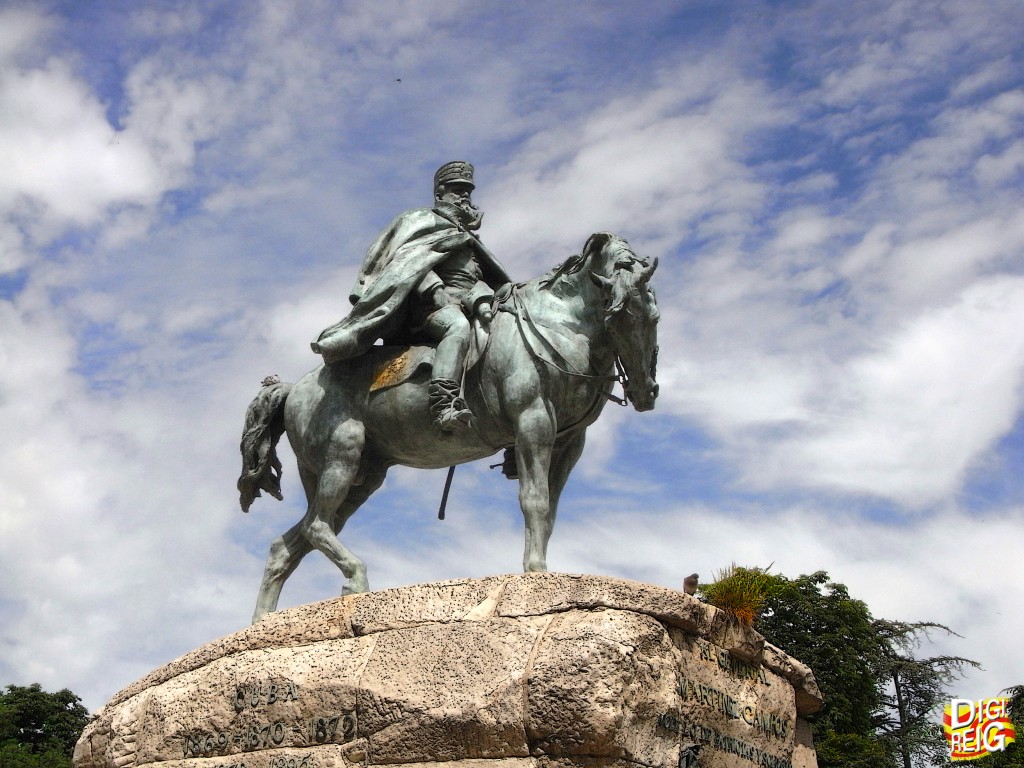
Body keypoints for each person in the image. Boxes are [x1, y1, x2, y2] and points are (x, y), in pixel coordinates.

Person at [311, 161, 512, 433]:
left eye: (467, 191)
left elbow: (481, 279)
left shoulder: (467, 237)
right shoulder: (420, 220)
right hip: (427, 308)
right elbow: (404, 264)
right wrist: (435, 289)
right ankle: (444, 404)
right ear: (440, 194)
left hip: (469, 303)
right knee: (457, 328)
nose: (464, 196)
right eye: (456, 190)